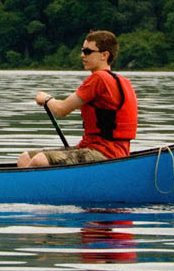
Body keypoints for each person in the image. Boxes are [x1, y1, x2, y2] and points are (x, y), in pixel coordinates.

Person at [17, 30, 136, 168]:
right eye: (82, 50)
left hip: (106, 154)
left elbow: (61, 110)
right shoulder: (120, 80)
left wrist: (46, 99)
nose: (82, 55)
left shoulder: (99, 79)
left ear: (105, 55)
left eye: (87, 51)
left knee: (40, 161)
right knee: (25, 158)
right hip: (93, 148)